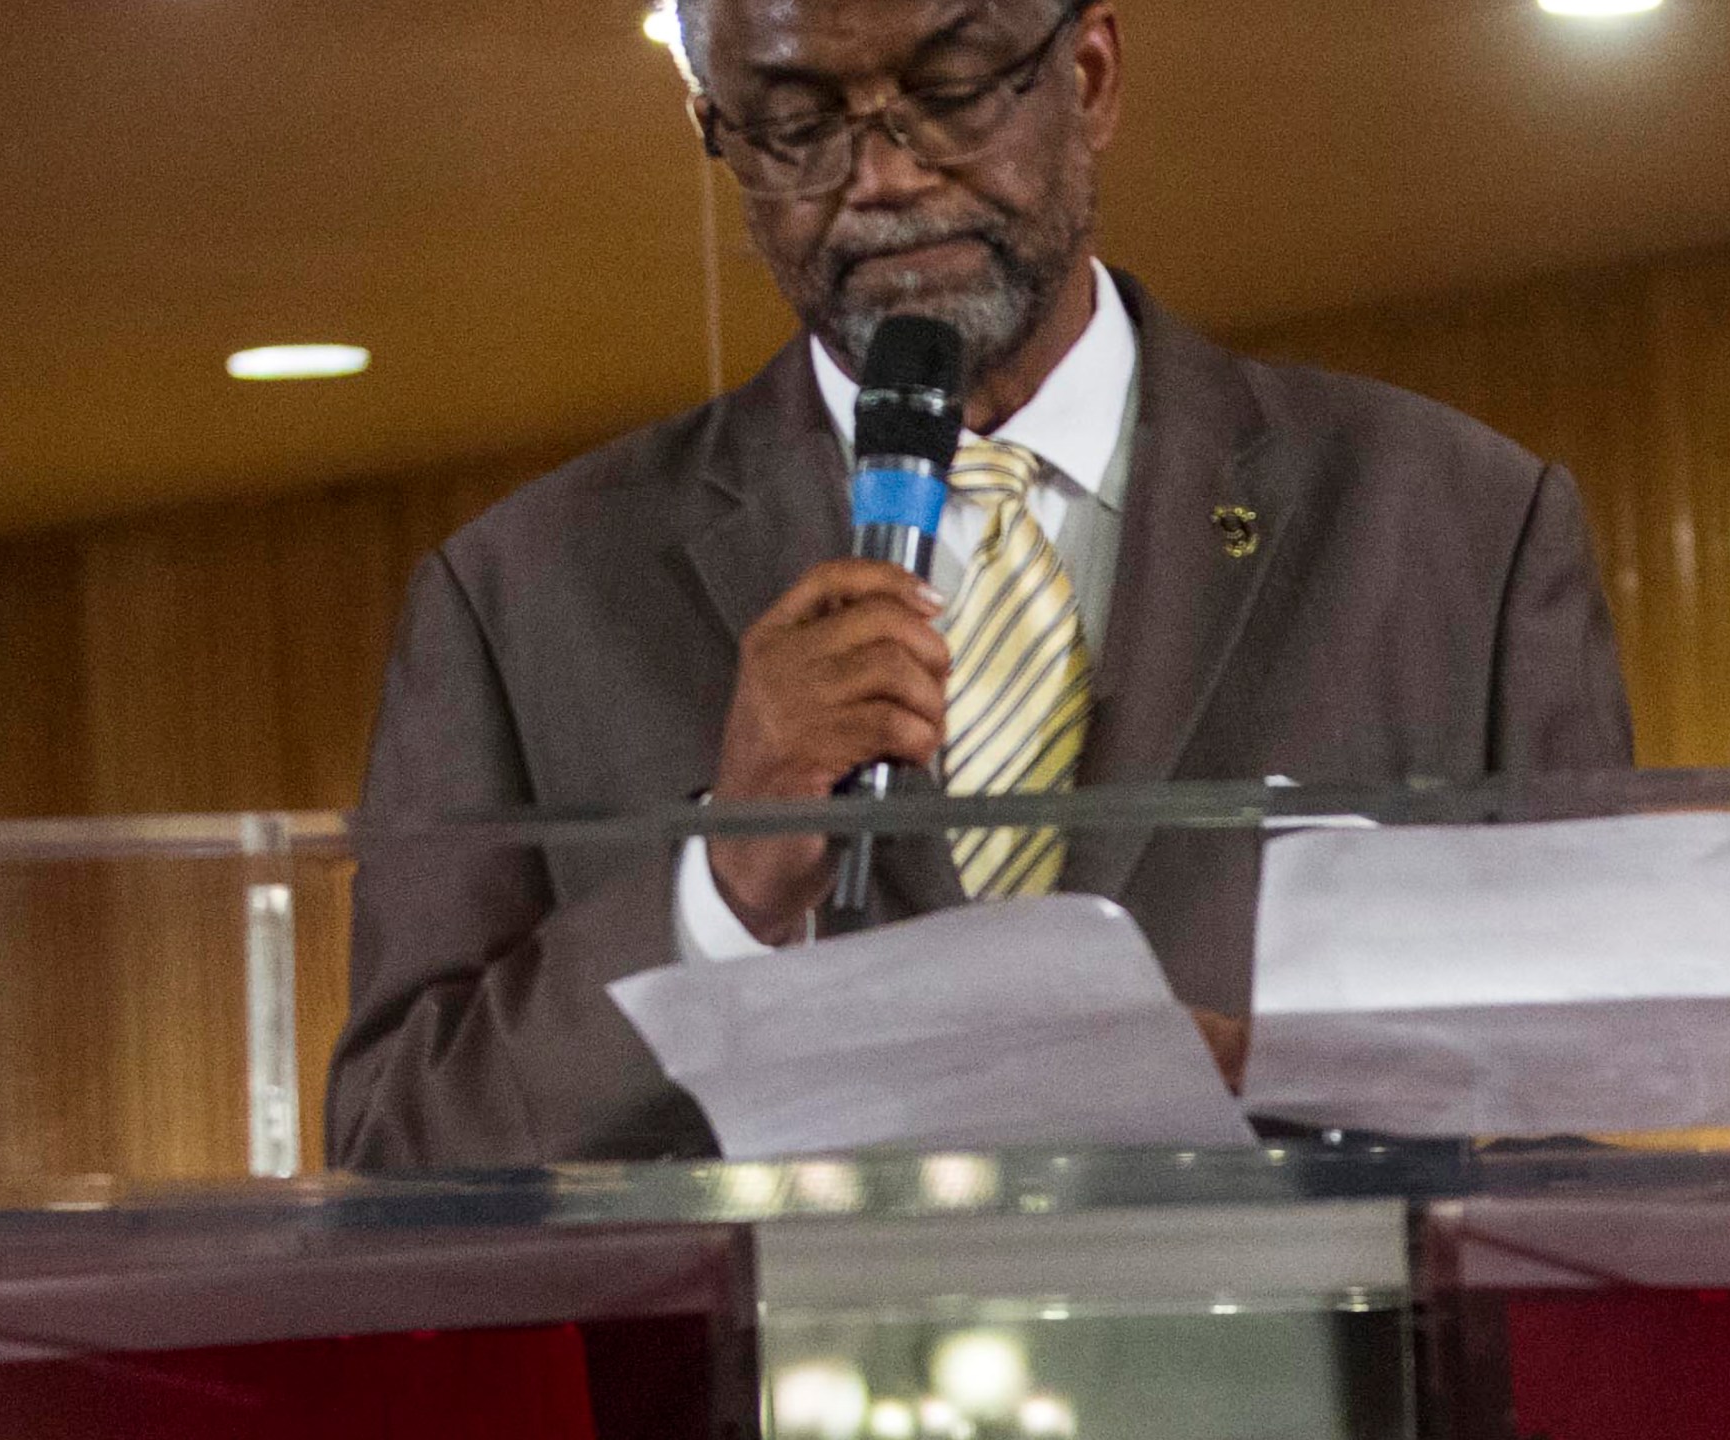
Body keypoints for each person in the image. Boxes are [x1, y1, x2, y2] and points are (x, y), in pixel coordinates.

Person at [326, 0, 1633, 1170]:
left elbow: (1632, 1110)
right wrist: (717, 887)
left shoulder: (1458, 526)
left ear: (1092, 71)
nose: (883, 178)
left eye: (952, 91)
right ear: (716, 127)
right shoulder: (521, 599)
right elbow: (396, 1160)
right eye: (792, 127)